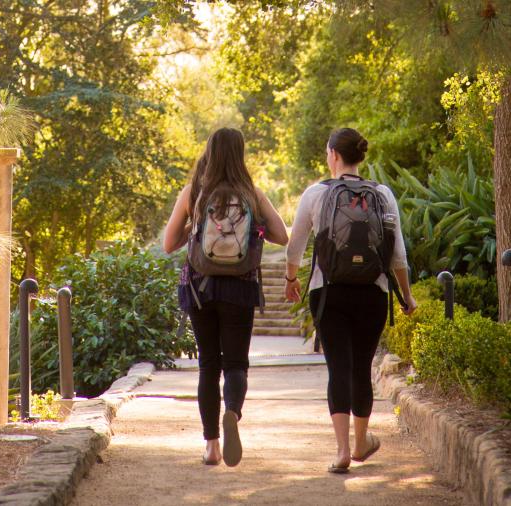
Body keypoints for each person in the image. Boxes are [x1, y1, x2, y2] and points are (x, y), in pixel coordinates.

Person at [284, 127, 417, 473]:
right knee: (361, 367)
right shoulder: (383, 194)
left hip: (328, 292)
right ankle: (360, 443)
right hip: (372, 293)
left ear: (333, 154)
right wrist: (406, 296)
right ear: (360, 157)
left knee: (338, 368)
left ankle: (342, 450)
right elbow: (397, 254)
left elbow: (295, 245)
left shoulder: (315, 194)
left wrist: (290, 278)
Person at [163, 127, 288, 467]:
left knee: (208, 365)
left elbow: (169, 243)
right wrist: (254, 228)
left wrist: (199, 225)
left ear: (210, 153)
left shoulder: (194, 194)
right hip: (240, 288)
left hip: (200, 288)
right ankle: (232, 411)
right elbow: (282, 235)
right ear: (240, 155)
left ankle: (211, 446)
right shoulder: (252, 194)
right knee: (235, 364)